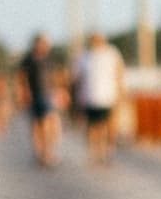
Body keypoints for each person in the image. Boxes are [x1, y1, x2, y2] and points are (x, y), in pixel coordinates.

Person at [72, 34, 125, 165]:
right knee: (92, 127)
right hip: (89, 97)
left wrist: (121, 93)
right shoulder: (84, 57)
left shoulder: (111, 53)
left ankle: (107, 152)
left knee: (108, 126)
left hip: (108, 96)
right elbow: (76, 78)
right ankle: (94, 153)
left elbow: (119, 72)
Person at [17, 35, 64, 168]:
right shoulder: (28, 59)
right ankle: (40, 153)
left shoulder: (50, 59)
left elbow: (57, 77)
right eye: (42, 43)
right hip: (34, 95)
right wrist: (23, 93)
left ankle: (47, 152)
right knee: (37, 125)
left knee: (49, 124)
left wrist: (60, 91)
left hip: (48, 95)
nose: (44, 46)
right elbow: (21, 77)